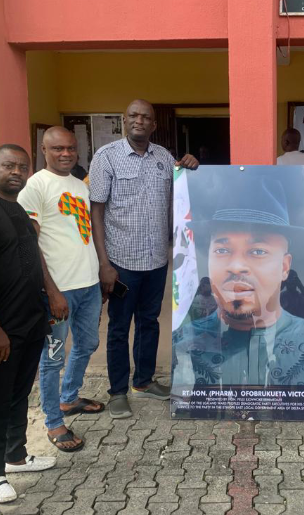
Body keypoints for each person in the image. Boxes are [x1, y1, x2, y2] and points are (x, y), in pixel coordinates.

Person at [89, 99, 199, 419]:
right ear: (124, 120)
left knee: (150, 323)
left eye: (146, 117)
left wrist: (191, 165)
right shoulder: (106, 157)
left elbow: (181, 191)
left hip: (156, 259)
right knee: (120, 328)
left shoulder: (164, 158)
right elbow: (97, 212)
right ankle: (117, 391)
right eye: (133, 115)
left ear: (153, 125)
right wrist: (104, 263)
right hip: (121, 262)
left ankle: (144, 381)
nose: (139, 121)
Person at [172, 176, 304, 387]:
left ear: (284, 267)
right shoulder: (184, 339)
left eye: (258, 251)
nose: (236, 267)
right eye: (222, 250)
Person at [0, 145, 56, 503]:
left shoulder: (19, 209)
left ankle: (16, 455)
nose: (16, 172)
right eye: (9, 166)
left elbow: (32, 259)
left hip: (31, 320)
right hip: (2, 328)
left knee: (20, 392)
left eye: (22, 167)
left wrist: (50, 296)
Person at [18, 126, 105, 453]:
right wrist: (50, 291)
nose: (66, 154)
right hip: (58, 291)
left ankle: (69, 398)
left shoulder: (78, 185)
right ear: (44, 150)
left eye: (70, 148)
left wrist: (99, 273)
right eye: (58, 149)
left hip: (88, 285)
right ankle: (53, 420)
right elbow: (30, 244)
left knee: (87, 343)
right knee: (53, 356)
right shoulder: (35, 186)